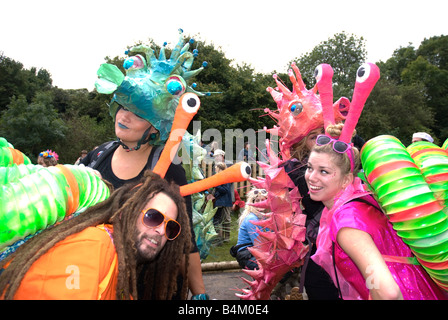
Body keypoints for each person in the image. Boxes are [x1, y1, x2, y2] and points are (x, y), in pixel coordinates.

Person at [81, 32, 208, 300]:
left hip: (149, 289)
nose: (125, 116)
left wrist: (200, 296)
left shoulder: (167, 169)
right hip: (95, 283)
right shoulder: (97, 156)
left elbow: (186, 243)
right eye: (123, 106)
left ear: (154, 127)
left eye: (138, 113)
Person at [305, 123, 446, 300]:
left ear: (346, 179)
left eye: (324, 171)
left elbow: (386, 292)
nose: (311, 177)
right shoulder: (362, 200)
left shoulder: (346, 222)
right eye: (310, 168)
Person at [0, 171, 192, 300]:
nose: (160, 231)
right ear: (127, 213)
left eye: (171, 228)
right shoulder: (94, 245)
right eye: (153, 217)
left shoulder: (122, 268)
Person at [282, 127, 341, 300]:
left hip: (344, 245)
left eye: (324, 136)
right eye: (313, 137)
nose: (320, 141)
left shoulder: (344, 165)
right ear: (301, 143)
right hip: (318, 248)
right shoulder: (296, 170)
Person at [232, 188, 268, 270]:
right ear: (251, 203)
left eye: (263, 200)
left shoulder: (263, 216)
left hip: (254, 252)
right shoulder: (252, 219)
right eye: (257, 200)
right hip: (247, 255)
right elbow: (259, 244)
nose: (260, 203)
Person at [211, 162, 233, 244]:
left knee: (224, 220)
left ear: (219, 168)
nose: (215, 169)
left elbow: (225, 190)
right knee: (219, 220)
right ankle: (220, 238)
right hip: (220, 201)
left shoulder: (225, 176)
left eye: (216, 167)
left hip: (224, 201)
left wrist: (216, 185)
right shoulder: (220, 176)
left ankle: (224, 238)